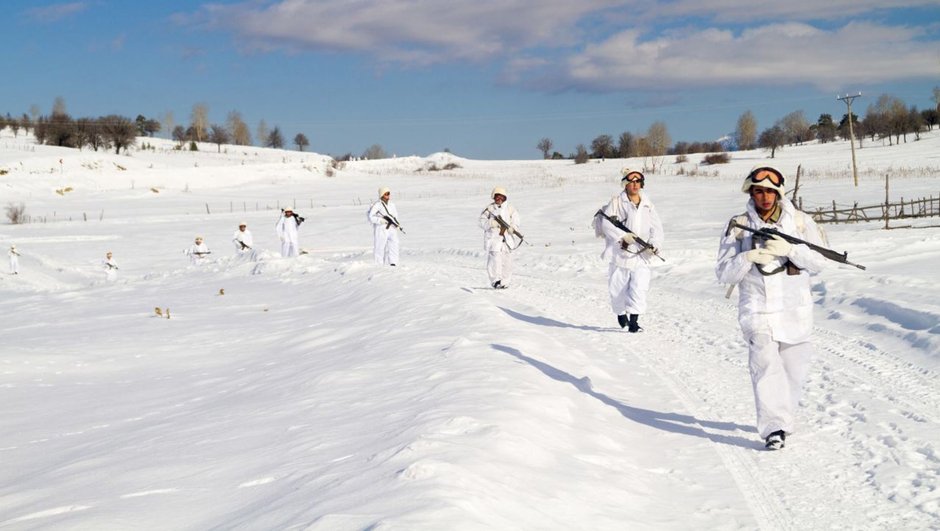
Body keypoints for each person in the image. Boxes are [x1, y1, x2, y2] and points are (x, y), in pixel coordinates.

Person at [715, 166, 828, 451]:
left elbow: (819, 263)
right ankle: (773, 428)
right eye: (758, 191)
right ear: (750, 192)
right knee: (765, 366)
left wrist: (790, 250)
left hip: (794, 310)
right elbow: (724, 273)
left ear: (779, 192)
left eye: (770, 191)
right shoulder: (738, 226)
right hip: (757, 310)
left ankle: (783, 420)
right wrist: (747, 257)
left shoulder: (800, 222)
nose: (765, 197)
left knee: (793, 372)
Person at [597, 168, 664, 332]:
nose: (635, 185)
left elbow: (657, 228)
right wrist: (622, 236)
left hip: (641, 255)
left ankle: (634, 321)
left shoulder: (648, 204)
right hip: (621, 253)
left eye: (638, 182)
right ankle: (621, 314)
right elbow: (606, 224)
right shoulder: (617, 202)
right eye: (631, 181)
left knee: (639, 287)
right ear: (626, 184)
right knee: (618, 288)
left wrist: (654, 244)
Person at [478, 186, 521, 289]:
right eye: (497, 196)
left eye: (501, 196)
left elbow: (516, 221)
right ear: (494, 197)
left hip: (507, 240)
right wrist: (492, 223)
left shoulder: (511, 209)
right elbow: (481, 221)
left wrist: (512, 228)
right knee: (494, 261)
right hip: (494, 239)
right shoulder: (489, 209)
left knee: (507, 261)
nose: (499, 199)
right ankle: (495, 281)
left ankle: (505, 282)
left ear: (505, 197)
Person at [367, 187, 401, 266]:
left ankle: (393, 262)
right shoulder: (377, 205)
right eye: (386, 194)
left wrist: (397, 224)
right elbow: (371, 217)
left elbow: (395, 215)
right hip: (381, 228)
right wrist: (380, 221)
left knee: (394, 244)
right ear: (382, 195)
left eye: (388, 193)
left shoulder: (392, 205)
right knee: (380, 246)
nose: (388, 195)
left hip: (392, 228)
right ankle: (379, 264)